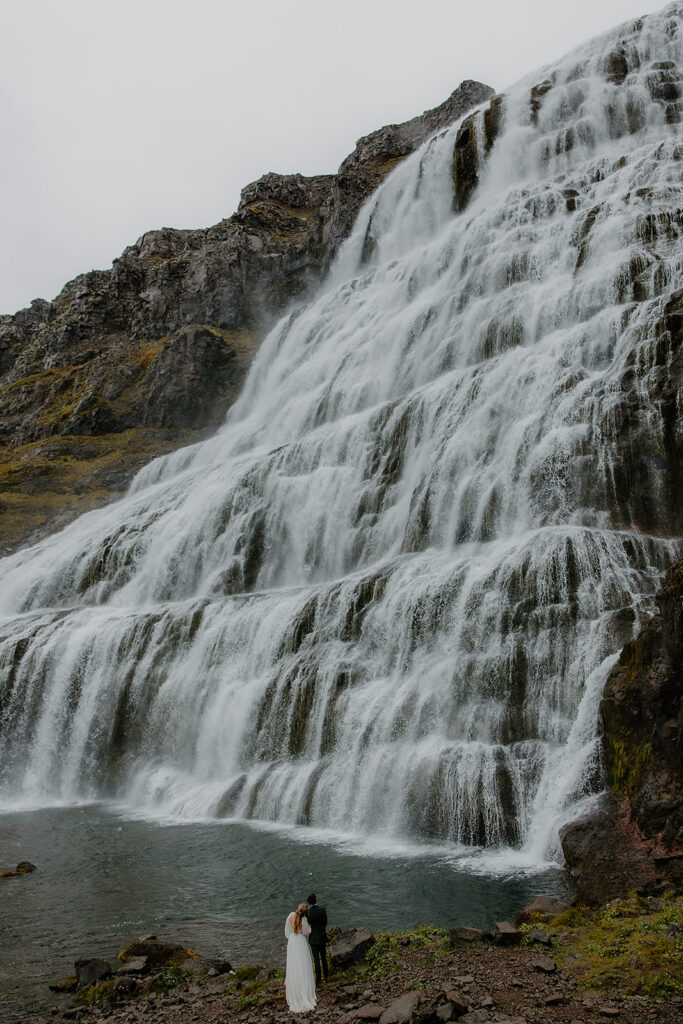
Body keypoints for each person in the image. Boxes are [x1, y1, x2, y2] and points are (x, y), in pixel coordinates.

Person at [284, 902, 316, 1013]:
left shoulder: (290, 915)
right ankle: (304, 989)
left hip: (292, 941)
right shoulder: (304, 921)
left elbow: (286, 931)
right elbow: (307, 932)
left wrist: (291, 938)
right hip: (300, 942)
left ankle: (294, 987)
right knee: (303, 965)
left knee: (294, 965)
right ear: (305, 913)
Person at [305, 892, 329, 985]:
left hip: (313, 938)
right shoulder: (322, 909)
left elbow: (308, 924)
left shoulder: (308, 912)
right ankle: (326, 976)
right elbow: (325, 922)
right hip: (322, 936)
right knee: (323, 958)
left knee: (316, 959)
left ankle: (318, 981)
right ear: (316, 899)